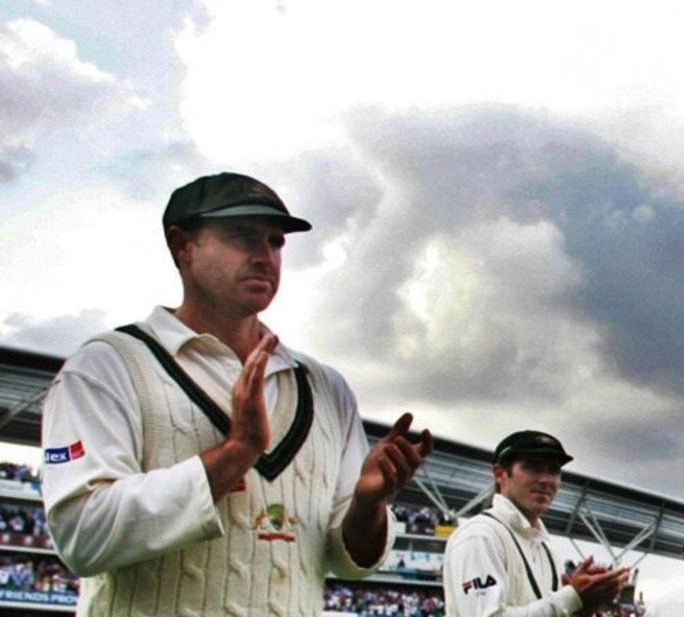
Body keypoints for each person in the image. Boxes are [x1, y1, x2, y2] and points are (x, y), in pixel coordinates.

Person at [40, 172, 431, 615]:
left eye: (275, 241)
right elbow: (82, 536)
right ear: (182, 245)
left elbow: (350, 563)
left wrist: (367, 505)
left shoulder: (326, 387)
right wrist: (236, 452)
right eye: (242, 237)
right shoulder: (109, 366)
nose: (265, 256)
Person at [443, 430, 628, 617]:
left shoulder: (547, 548)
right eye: (533, 468)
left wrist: (584, 607)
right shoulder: (480, 536)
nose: (546, 480)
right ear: (500, 474)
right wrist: (572, 597)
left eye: (554, 471)